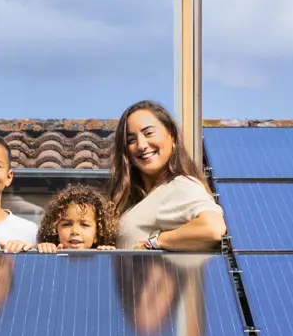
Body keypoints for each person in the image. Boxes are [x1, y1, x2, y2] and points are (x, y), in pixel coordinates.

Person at [109, 100, 226, 251]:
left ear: (172, 136)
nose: (141, 145)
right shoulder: (141, 198)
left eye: (149, 133)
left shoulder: (181, 185)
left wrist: (154, 242)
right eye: (131, 140)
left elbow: (212, 228)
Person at [35, 184, 118, 252]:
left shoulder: (104, 257)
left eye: (84, 224)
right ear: (55, 230)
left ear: (98, 233)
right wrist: (46, 250)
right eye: (66, 224)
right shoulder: (49, 256)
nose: (75, 231)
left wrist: (107, 255)